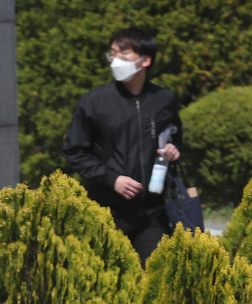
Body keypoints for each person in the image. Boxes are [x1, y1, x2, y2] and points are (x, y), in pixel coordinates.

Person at [63, 27, 182, 265]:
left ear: (145, 60)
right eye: (112, 54)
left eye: (123, 54)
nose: (115, 60)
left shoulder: (164, 99)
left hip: (152, 214)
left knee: (154, 281)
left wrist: (174, 149)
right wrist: (112, 179)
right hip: (107, 213)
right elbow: (74, 151)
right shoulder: (94, 102)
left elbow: (174, 136)